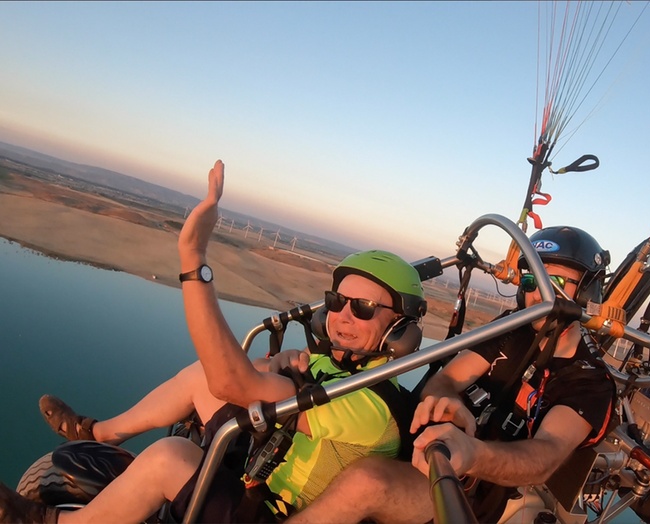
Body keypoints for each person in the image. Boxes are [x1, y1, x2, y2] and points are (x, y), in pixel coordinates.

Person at [0, 160, 428, 524]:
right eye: (337, 300)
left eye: (365, 308)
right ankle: (98, 433)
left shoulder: (370, 406)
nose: (343, 316)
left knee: (171, 456)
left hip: (271, 511)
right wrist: (274, 367)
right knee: (199, 379)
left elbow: (232, 383)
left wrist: (193, 261)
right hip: (258, 466)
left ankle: (52, 521)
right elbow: (233, 380)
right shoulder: (336, 367)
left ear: (400, 328)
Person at [290, 225, 617, 523]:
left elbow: (547, 453)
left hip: (465, 492)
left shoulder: (588, 381)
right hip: (419, 447)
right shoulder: (512, 330)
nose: (537, 295)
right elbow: (444, 380)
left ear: (588, 294)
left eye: (555, 283)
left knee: (366, 482)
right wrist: (445, 401)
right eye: (531, 281)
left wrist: (472, 454)